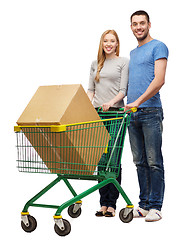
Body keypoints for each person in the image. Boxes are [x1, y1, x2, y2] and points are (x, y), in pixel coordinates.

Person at [124, 10, 169, 222]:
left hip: (150, 111)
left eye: (142, 23)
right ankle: (143, 205)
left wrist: (139, 101)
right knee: (139, 162)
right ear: (131, 27)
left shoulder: (158, 46)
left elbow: (159, 80)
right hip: (132, 115)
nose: (138, 27)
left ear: (149, 24)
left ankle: (156, 206)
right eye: (135, 24)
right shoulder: (132, 53)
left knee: (154, 162)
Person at [87, 29, 129, 217]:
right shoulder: (95, 64)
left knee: (113, 158)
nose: (109, 44)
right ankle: (102, 203)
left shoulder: (123, 63)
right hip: (98, 115)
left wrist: (111, 103)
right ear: (102, 43)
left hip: (115, 114)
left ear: (117, 44)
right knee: (101, 159)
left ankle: (112, 203)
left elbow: (123, 90)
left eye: (112, 41)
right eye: (106, 41)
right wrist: (86, 108)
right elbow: (90, 89)